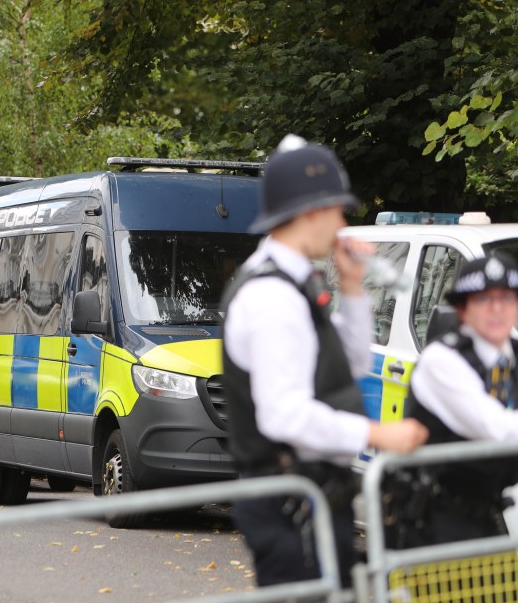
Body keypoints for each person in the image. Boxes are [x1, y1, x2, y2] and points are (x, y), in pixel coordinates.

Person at [222, 135, 428, 587]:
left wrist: (353, 289)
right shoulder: (272, 296)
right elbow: (284, 415)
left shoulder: (294, 284)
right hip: (290, 499)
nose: (342, 221)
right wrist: (378, 433)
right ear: (311, 210)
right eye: (337, 209)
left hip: (310, 495)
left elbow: (350, 364)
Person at [393, 254, 518, 548]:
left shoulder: (512, 353)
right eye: (484, 300)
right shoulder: (443, 359)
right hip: (434, 519)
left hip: (487, 512)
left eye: (507, 298)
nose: (497, 309)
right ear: (462, 310)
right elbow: (496, 428)